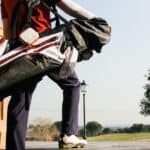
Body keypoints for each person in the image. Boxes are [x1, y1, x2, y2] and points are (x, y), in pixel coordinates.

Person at [1, 0, 96, 149]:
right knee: (72, 84)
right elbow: (69, 7)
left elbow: (7, 33)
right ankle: (68, 134)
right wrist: (96, 20)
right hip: (45, 47)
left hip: (20, 53)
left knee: (20, 99)